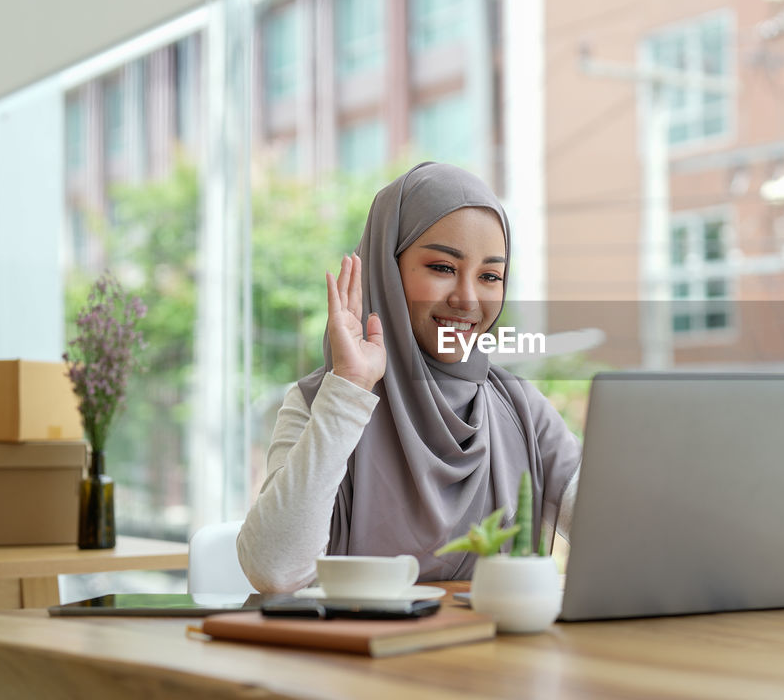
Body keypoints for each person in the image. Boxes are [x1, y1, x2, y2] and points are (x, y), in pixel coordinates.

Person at [237, 162, 582, 593]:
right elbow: (274, 569)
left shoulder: (516, 407)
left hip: (490, 656)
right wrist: (349, 389)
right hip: (356, 656)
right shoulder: (319, 401)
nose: (467, 299)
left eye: (490, 276)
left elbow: (616, 526)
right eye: (442, 267)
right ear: (387, 268)